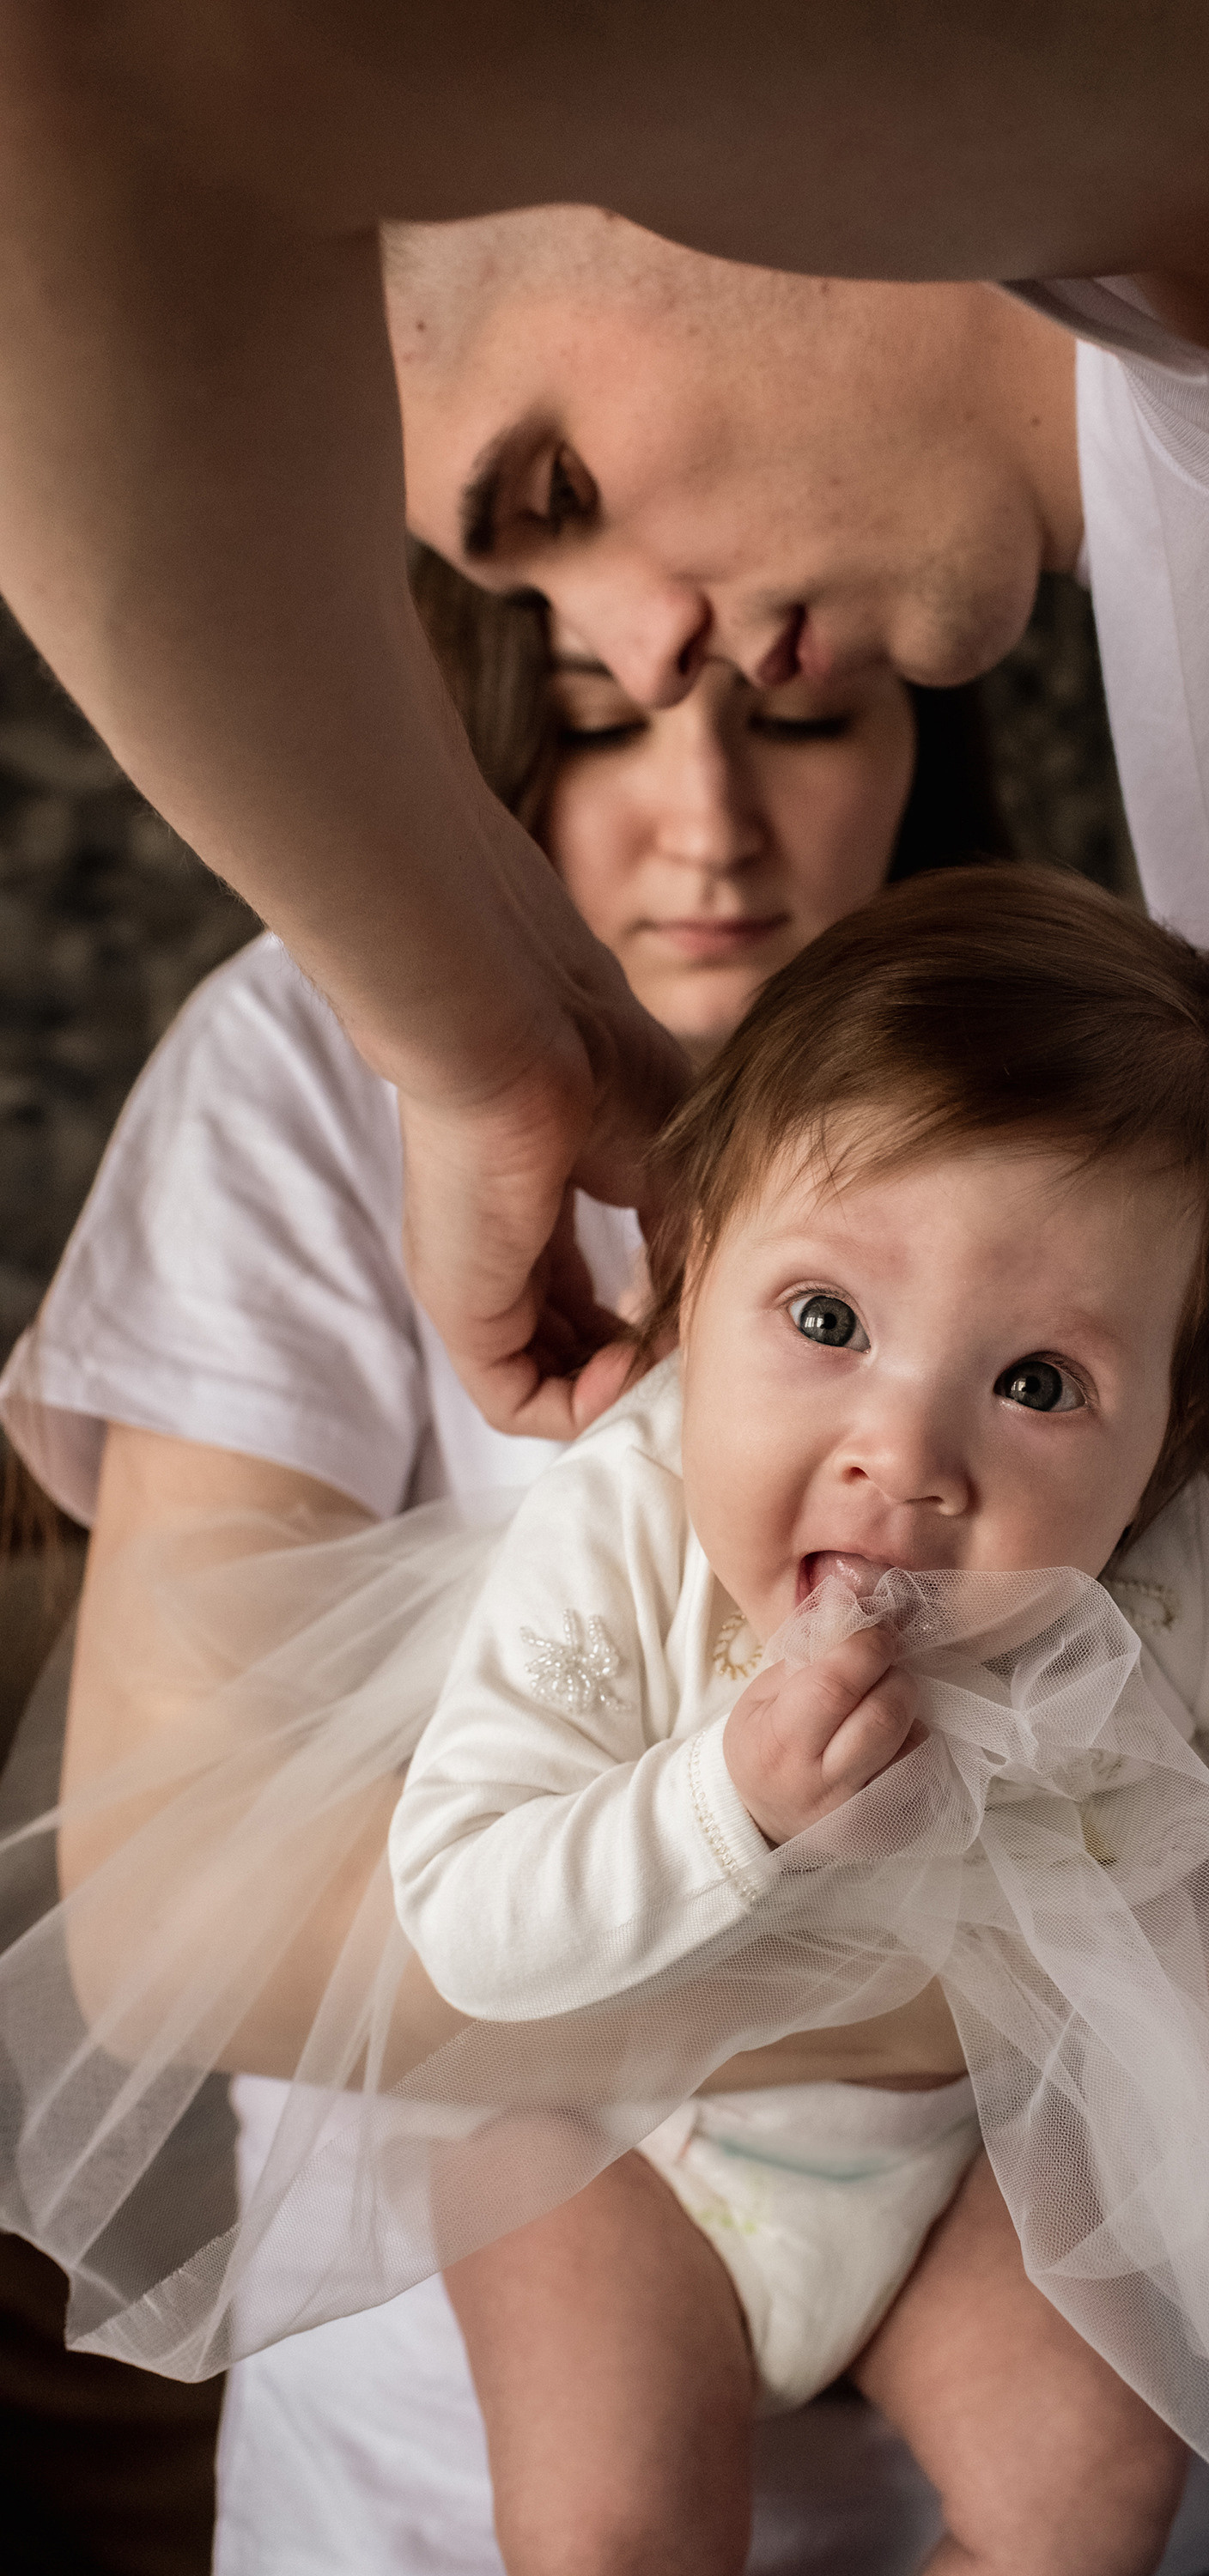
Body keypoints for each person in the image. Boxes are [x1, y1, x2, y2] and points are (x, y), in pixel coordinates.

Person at [0, 10, 1209, 2569]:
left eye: (560, 483)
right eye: (545, 638)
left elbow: (83, 85)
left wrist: (474, 1043)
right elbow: (203, 1914)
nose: (681, 662)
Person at [6, 871, 1209, 2576]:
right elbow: (461, 1907)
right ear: (684, 1280)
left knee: (1082, 2505)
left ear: (1164, 1435)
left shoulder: (1163, 1582)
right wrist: (721, 1802)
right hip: (617, 2159)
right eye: (824, 1321)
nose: (905, 1456)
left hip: (960, 2173)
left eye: (1039, 1385)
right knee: (611, 2532)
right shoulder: (619, 1532)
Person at [0, 562, 1013, 2576]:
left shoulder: (1069, 1070)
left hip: (1023, 2425)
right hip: (446, 2484)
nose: (709, 822)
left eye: (800, 722)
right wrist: (1036, 1977)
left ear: (927, 730)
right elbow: (186, 1904)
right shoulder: (302, 1074)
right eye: (590, 723)